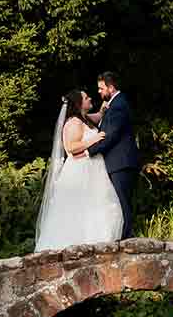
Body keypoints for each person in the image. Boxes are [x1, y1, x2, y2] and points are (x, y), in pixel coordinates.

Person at [34, 89, 125, 251]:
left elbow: (97, 116)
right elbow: (71, 147)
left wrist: (103, 111)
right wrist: (94, 139)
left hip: (93, 169)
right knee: (80, 209)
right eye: (86, 97)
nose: (90, 98)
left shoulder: (83, 118)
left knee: (99, 207)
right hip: (81, 170)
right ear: (79, 103)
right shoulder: (73, 123)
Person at [84, 71, 141, 239]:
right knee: (119, 202)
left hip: (121, 162)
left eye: (101, 88)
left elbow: (111, 135)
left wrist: (89, 151)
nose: (99, 92)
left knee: (123, 202)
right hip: (117, 162)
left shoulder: (119, 105)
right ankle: (124, 236)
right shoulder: (113, 105)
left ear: (111, 87)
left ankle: (126, 238)